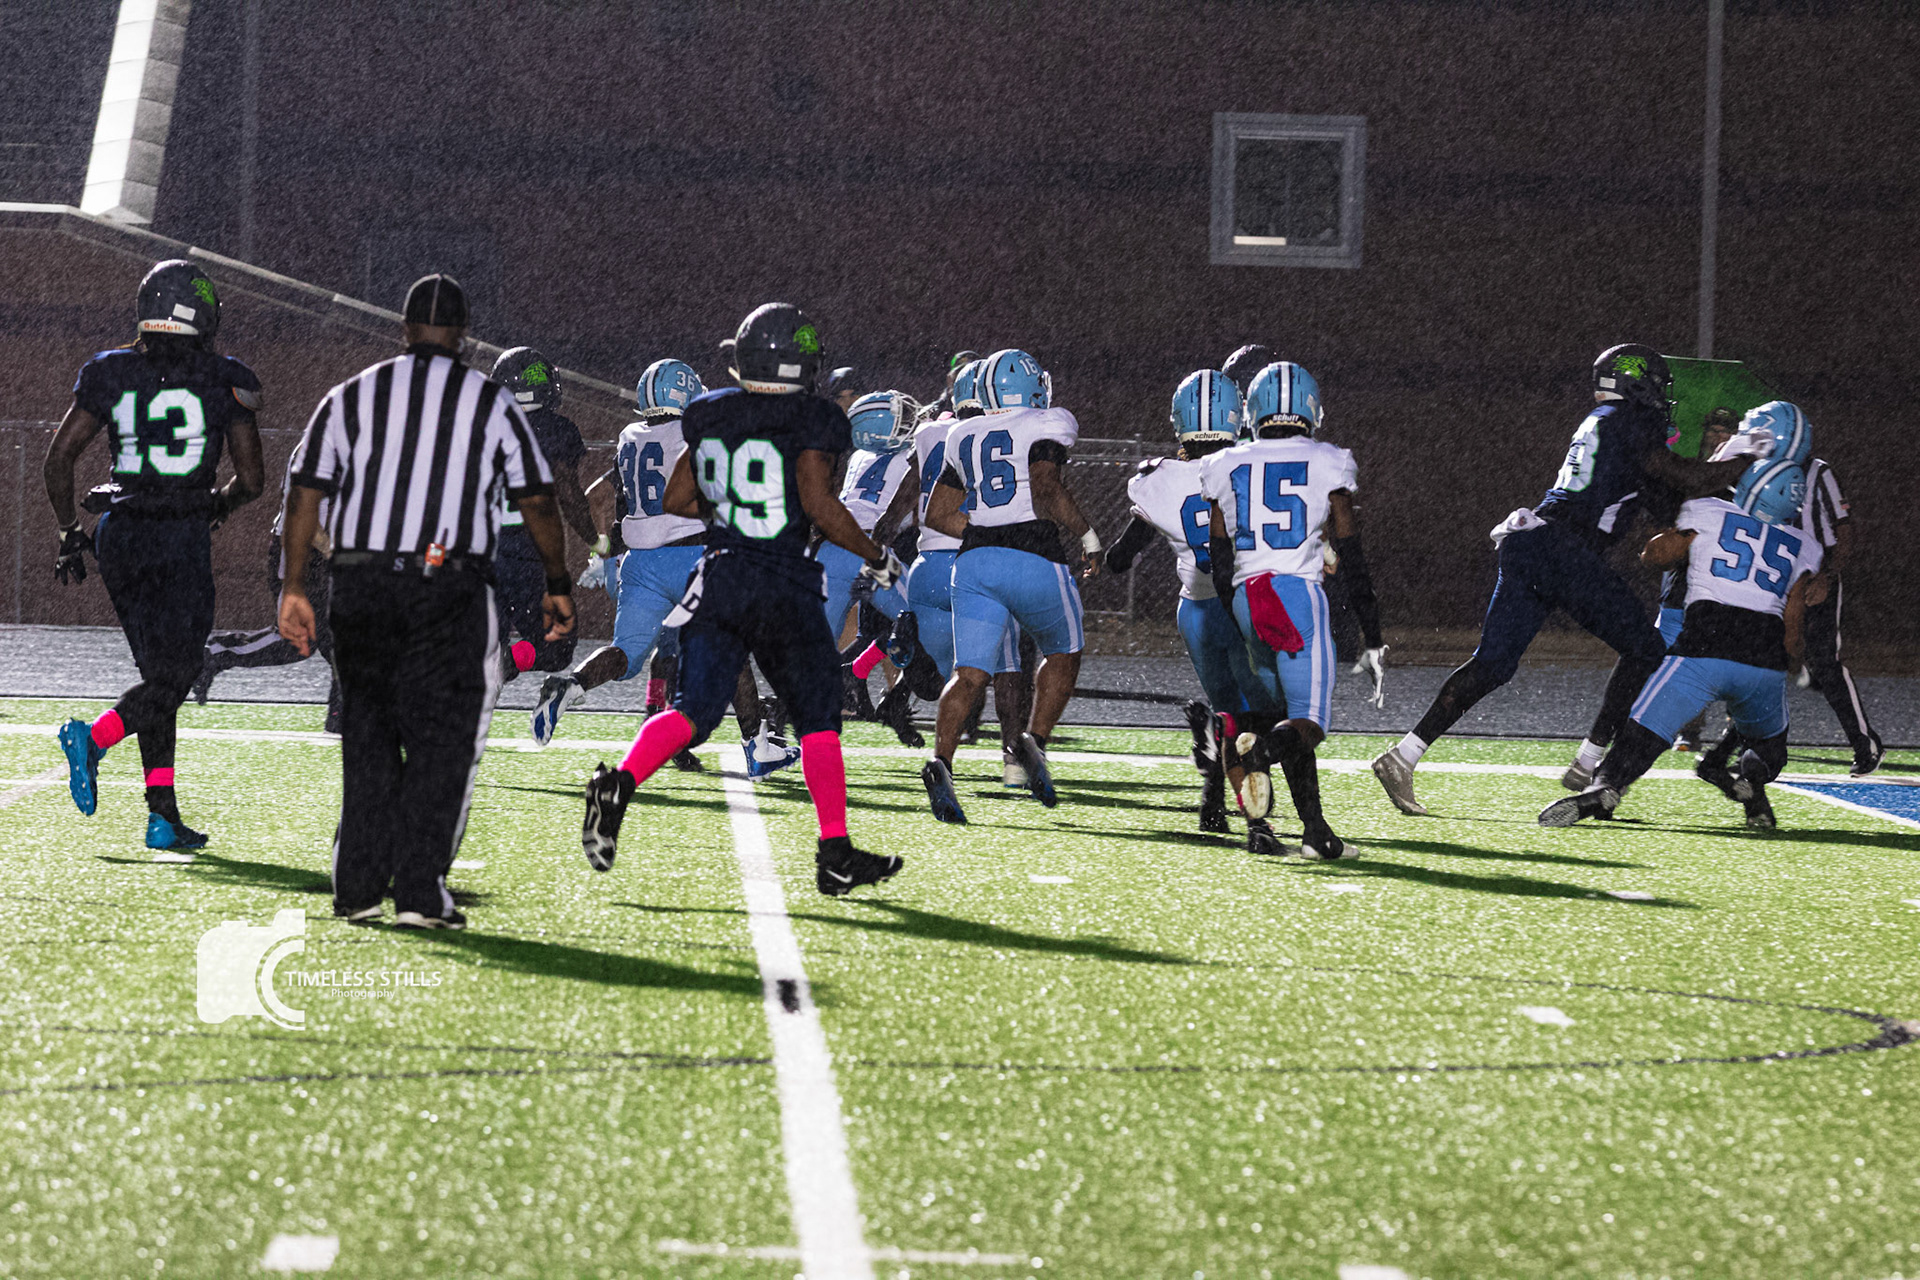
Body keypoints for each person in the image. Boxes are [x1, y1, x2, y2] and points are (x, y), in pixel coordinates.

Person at [278, 273, 576, 929]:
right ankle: (417, 891)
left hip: (363, 583)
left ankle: (358, 889)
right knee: (444, 742)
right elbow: (536, 497)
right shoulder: (487, 402)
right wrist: (557, 579)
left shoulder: (353, 394)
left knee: (371, 735)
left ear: (405, 329)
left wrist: (295, 583)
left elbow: (305, 492)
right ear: (464, 336)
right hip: (449, 586)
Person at [580, 302, 904, 897]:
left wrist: (732, 506)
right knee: (817, 715)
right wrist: (876, 555)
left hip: (722, 574)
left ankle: (617, 785)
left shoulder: (711, 411)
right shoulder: (813, 417)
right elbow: (819, 504)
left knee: (692, 711)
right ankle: (834, 852)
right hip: (781, 580)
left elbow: (677, 499)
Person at [1371, 344, 1762, 817]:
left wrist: (1720, 494)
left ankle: (1403, 756)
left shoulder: (1607, 423)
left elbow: (1667, 498)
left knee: (1493, 665)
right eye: (1657, 385)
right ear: (1637, 384)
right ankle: (1592, 762)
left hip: (1532, 542)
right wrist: (1746, 461)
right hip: (1562, 548)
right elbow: (1682, 476)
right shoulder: (1631, 420)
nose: (1663, 396)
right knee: (1646, 648)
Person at [47, 259, 266, 850]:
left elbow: (60, 457)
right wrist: (217, 504)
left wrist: (69, 531)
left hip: (120, 535)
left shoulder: (111, 369)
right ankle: (94, 737)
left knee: (158, 677)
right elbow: (251, 480)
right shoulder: (225, 376)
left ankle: (161, 815)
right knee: (177, 674)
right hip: (177, 536)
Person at [1540, 405, 1820, 830]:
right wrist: (1794, 664)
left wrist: (1668, 538)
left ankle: (1607, 785)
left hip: (1702, 643)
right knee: (1770, 748)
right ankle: (1750, 777)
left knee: (1642, 733)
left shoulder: (1708, 506)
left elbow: (1656, 555)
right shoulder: (1801, 537)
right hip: (1763, 659)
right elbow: (1793, 631)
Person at [1199, 361, 1384, 861]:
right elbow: (1352, 553)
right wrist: (1371, 631)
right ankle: (1260, 752)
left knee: (1289, 718)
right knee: (1310, 723)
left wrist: (1238, 614)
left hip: (1247, 596)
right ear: (1310, 409)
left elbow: (1219, 555)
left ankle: (1316, 832)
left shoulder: (1224, 462)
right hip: (1296, 596)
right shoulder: (1329, 460)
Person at [919, 348, 1101, 823]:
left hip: (974, 561)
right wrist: (1088, 536)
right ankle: (1032, 741)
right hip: (1034, 554)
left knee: (969, 674)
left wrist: (987, 531)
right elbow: (1046, 487)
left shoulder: (962, 434)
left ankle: (941, 762)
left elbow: (937, 514)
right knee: (1063, 651)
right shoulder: (1049, 421)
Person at [901, 361, 1032, 785]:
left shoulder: (928, 432)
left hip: (926, 568)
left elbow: (909, 493)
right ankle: (1013, 763)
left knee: (953, 679)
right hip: (975, 563)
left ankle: (942, 760)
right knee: (1007, 669)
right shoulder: (999, 434)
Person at [191, 451, 341, 732]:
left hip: (315, 553)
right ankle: (214, 653)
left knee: (343, 641)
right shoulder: (320, 447)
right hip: (301, 553)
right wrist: (339, 555)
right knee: (298, 641)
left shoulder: (347, 442)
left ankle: (342, 717)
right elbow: (302, 515)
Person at [490, 346, 597, 683]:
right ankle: (507, 661)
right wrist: (595, 540)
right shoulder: (556, 429)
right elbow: (569, 493)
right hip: (527, 555)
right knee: (557, 646)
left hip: (479, 552)